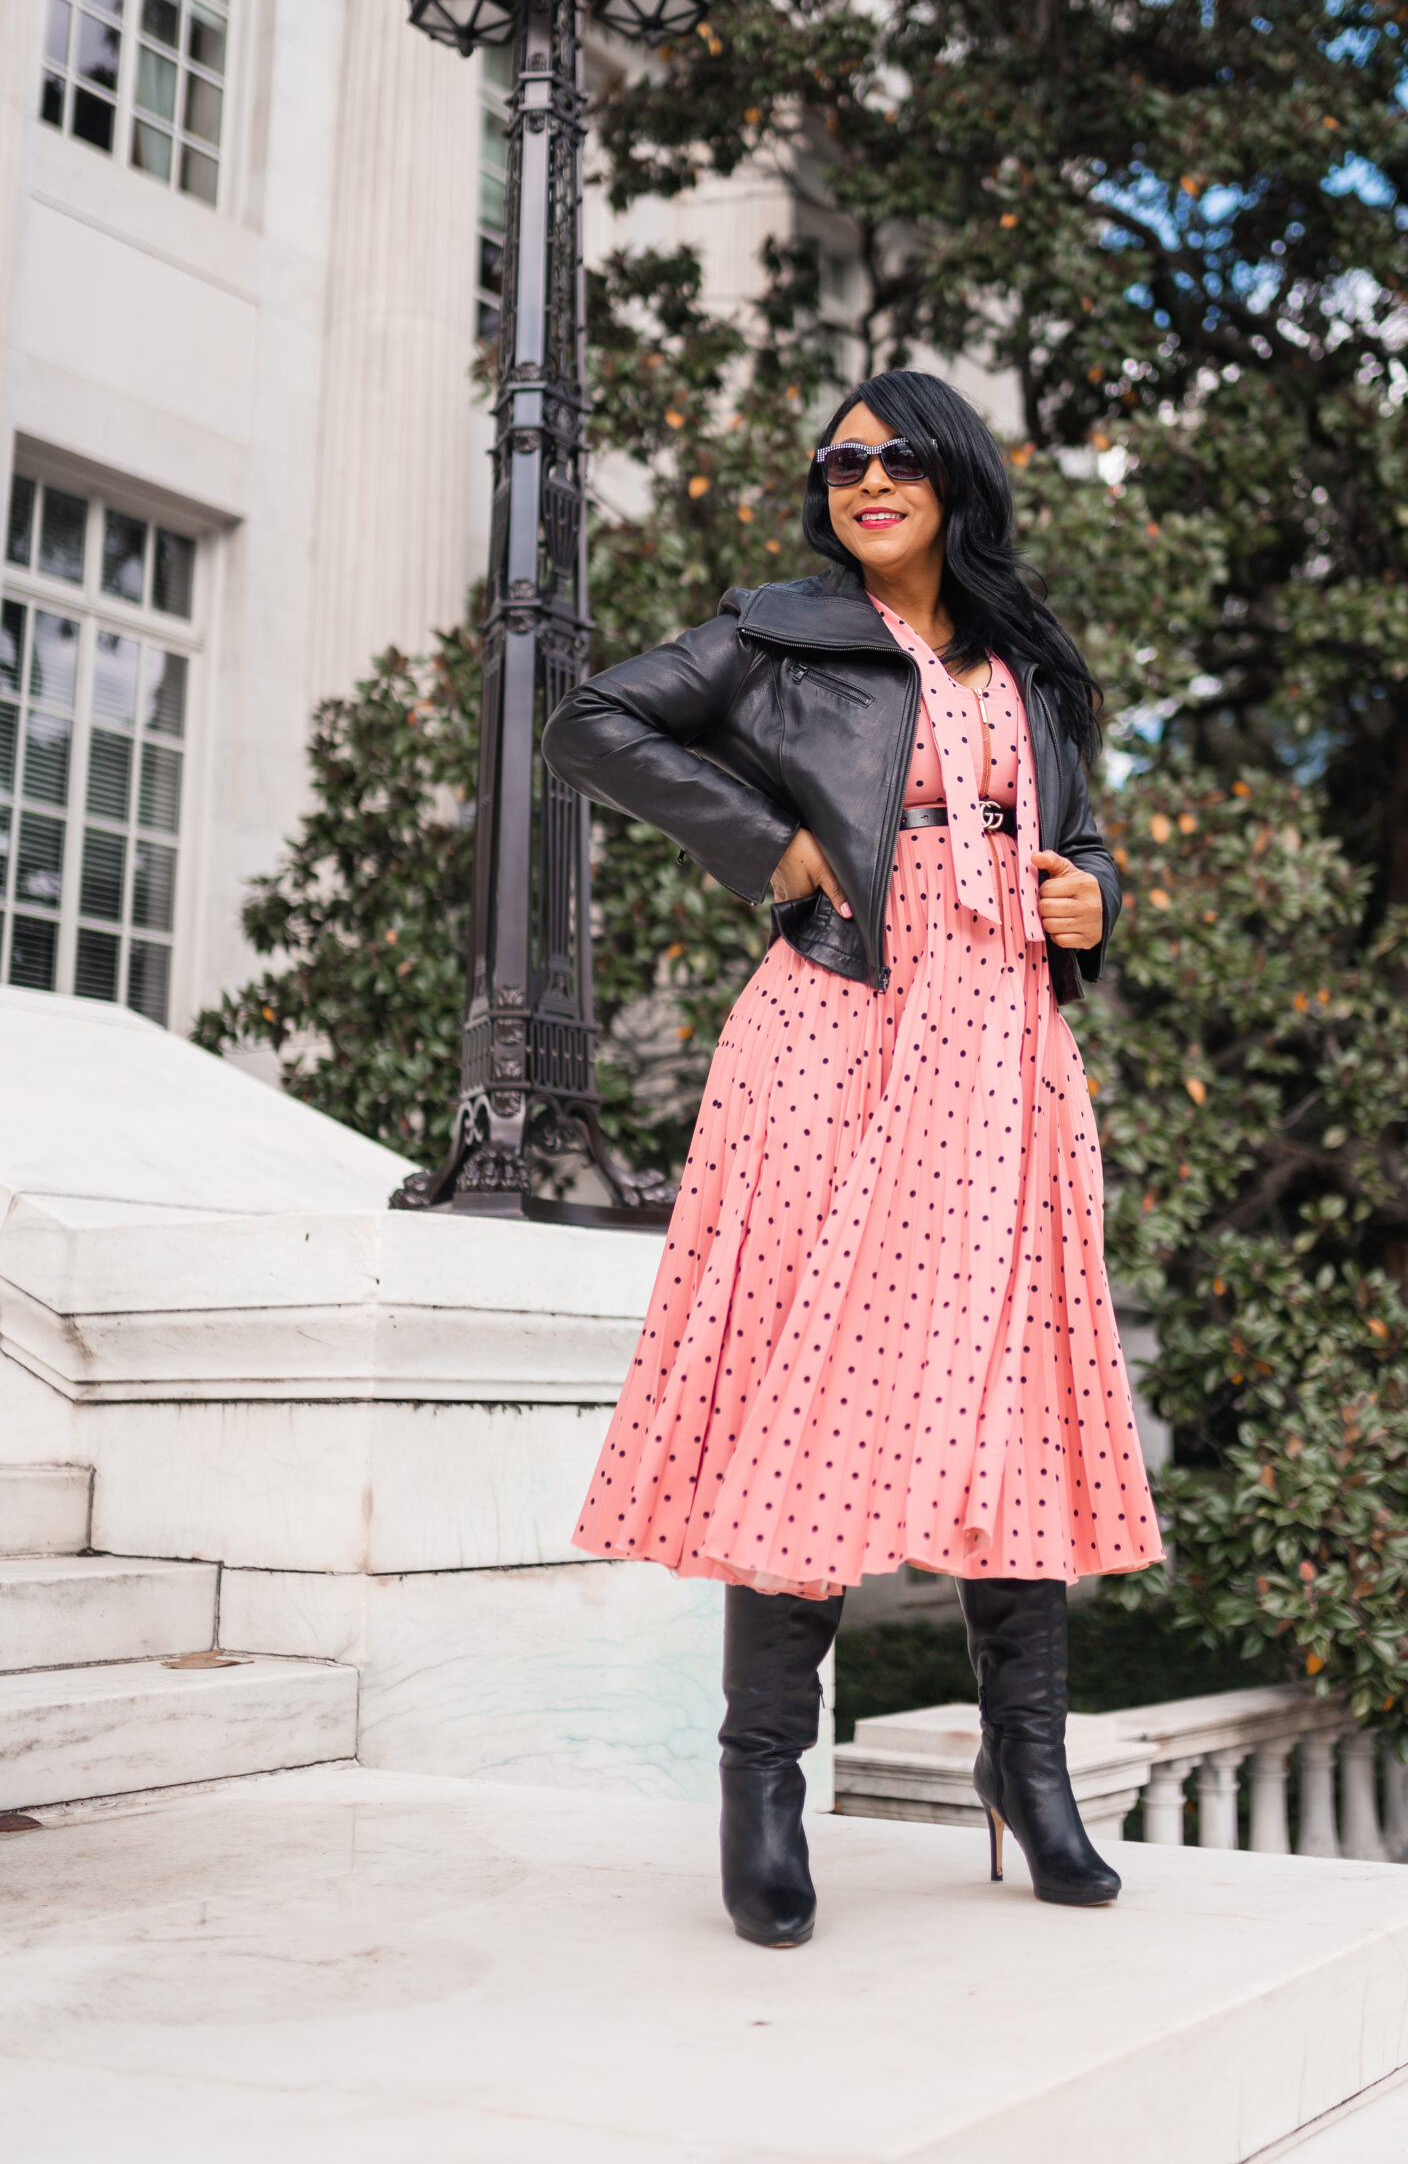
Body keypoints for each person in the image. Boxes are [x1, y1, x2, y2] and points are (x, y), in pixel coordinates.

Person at [542, 370, 1162, 1948]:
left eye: (893, 459)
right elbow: (592, 720)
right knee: (809, 1393)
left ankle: (1028, 1774)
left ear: (954, 477)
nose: (865, 480)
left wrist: (1091, 889)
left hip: (1006, 1054)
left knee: (1017, 1397)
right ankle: (764, 1786)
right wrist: (769, 845)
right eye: (840, 463)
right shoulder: (779, 637)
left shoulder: (1027, 661)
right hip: (838, 1039)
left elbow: (1070, 839)